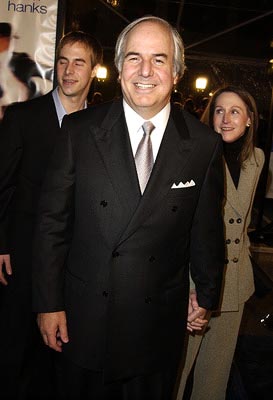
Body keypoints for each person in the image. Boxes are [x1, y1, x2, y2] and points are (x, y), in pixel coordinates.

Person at [32, 16, 225, 400]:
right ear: (119, 69)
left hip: (157, 325)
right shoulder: (79, 130)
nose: (145, 71)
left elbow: (205, 229)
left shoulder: (203, 144)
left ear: (176, 72)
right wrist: (48, 303)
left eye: (159, 59)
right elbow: (52, 224)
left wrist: (205, 294)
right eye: (134, 58)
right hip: (84, 319)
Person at [0, 31, 102, 399]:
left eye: (79, 62)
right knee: (15, 349)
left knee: (59, 355)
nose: (69, 70)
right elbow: (2, 184)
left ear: (95, 70)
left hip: (76, 263)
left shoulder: (101, 128)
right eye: (63, 61)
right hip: (23, 256)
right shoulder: (23, 117)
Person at [176, 85, 265, 400]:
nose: (226, 119)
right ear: (209, 116)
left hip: (235, 284)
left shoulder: (257, 159)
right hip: (194, 283)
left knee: (215, 376)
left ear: (250, 120)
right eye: (219, 110)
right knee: (177, 370)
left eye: (235, 111)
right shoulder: (193, 155)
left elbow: (242, 224)